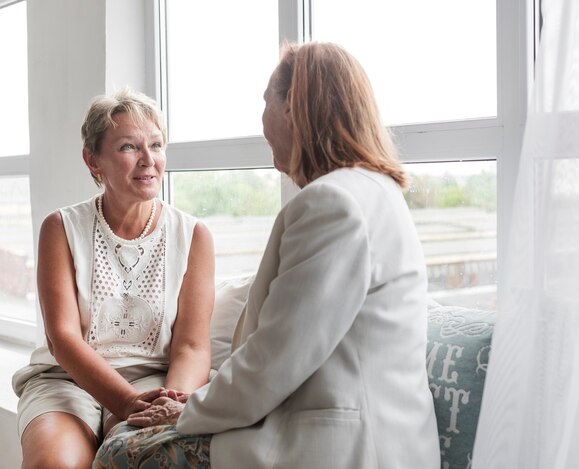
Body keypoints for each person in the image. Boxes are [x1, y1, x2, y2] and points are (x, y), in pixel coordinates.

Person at [98, 42, 440, 468]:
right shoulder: (372, 190)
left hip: (342, 447)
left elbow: (273, 362)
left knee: (121, 451)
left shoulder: (332, 205)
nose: (261, 124)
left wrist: (186, 410)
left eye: (265, 103)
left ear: (292, 108)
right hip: (368, 433)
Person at [12, 88, 215, 469]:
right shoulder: (60, 227)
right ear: (93, 160)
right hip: (66, 379)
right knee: (55, 464)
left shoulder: (194, 235)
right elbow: (63, 340)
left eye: (156, 145)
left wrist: (172, 402)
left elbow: (192, 346)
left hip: (154, 380)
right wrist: (123, 403)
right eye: (128, 147)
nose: (148, 160)